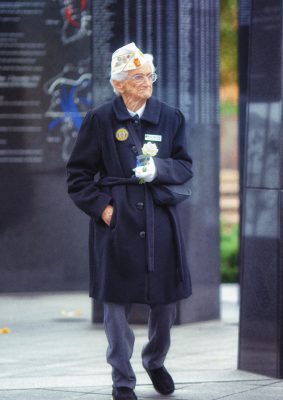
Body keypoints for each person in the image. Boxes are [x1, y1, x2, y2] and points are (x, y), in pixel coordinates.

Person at [66, 43, 193, 400]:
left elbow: (185, 165)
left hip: (159, 219)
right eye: (138, 77)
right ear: (118, 84)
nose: (146, 82)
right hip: (117, 221)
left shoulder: (170, 117)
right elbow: (78, 176)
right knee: (115, 306)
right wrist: (105, 209)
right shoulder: (99, 120)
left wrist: (160, 169)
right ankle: (122, 380)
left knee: (166, 303)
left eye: (149, 75)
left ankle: (155, 359)